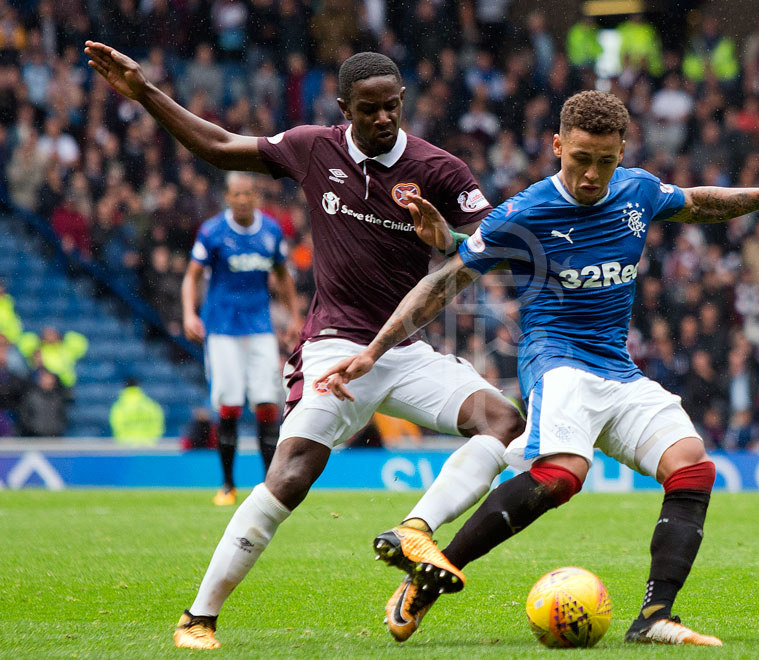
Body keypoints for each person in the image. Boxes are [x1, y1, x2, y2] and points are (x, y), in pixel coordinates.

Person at [322, 91, 759, 646]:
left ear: (622, 151)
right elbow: (444, 281)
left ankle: (655, 617)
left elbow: (698, 202)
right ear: (557, 146)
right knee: (564, 473)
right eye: (580, 160)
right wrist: (375, 350)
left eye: (605, 161)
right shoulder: (526, 213)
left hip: (616, 366)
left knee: (692, 466)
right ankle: (430, 577)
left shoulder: (639, 190)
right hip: (556, 359)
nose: (592, 175)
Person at [84, 43, 525, 650]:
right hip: (332, 347)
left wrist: (448, 236)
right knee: (291, 475)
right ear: (344, 107)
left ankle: (417, 530)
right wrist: (147, 93)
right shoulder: (314, 147)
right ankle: (199, 617)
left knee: (503, 419)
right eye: (369, 110)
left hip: (401, 348)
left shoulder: (439, 168)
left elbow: (492, 242)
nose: (384, 119)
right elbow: (217, 147)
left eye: (392, 107)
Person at [181, 171, 300, 506]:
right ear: (228, 197)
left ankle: (269, 486)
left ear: (255, 197)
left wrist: (294, 316)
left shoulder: (271, 231)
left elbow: (283, 276)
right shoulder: (213, 231)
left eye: (249, 193)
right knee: (229, 405)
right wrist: (190, 313)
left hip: (260, 327)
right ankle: (228, 485)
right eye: (237, 194)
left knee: (266, 404)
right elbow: (191, 277)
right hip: (222, 330)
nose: (244, 199)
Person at [109, 377, 165, 446]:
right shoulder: (151, 405)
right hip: (148, 447)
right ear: (139, 386)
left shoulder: (118, 407)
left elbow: (117, 427)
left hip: (126, 447)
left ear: (124, 388)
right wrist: (150, 440)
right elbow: (158, 425)